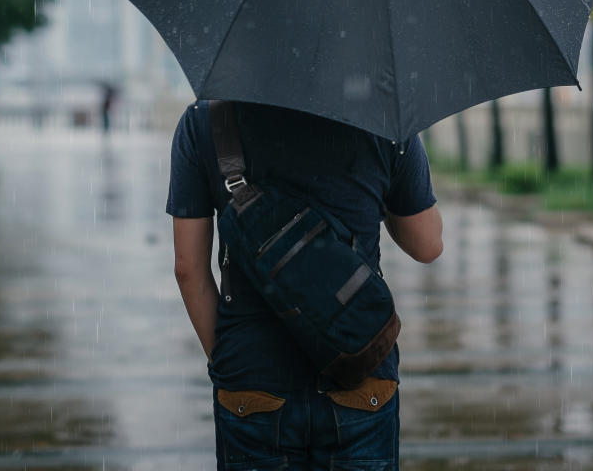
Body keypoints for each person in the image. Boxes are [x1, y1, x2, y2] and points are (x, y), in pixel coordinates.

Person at [168, 99, 442, 470]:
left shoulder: (207, 120)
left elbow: (188, 268)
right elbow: (427, 244)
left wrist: (231, 361)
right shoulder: (385, 119)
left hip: (253, 379)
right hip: (359, 371)